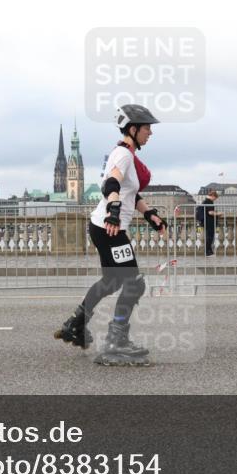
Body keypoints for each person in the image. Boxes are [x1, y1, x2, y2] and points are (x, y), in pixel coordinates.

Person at [54, 104, 168, 366]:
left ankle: (76, 323)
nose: (150, 132)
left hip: (103, 227)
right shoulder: (123, 155)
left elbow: (130, 193)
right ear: (133, 128)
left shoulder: (125, 153)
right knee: (134, 283)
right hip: (110, 228)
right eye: (147, 127)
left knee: (113, 281)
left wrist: (150, 214)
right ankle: (116, 342)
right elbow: (112, 184)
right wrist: (114, 211)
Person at [197, 190, 219, 256]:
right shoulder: (209, 202)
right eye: (215, 198)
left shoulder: (205, 201)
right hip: (209, 221)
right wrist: (218, 214)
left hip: (206, 221)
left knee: (209, 236)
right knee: (210, 237)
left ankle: (209, 251)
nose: (215, 199)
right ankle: (208, 252)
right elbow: (210, 212)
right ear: (212, 196)